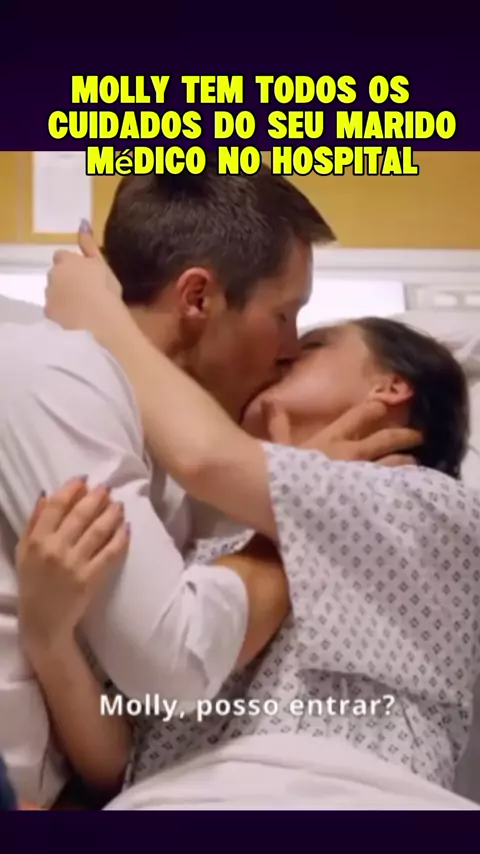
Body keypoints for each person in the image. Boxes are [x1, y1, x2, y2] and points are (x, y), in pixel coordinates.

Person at [0, 166, 415, 807]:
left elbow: (132, 729)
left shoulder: (175, 439)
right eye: (285, 314)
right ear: (197, 298)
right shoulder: (62, 373)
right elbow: (174, 662)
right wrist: (306, 516)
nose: (289, 346)